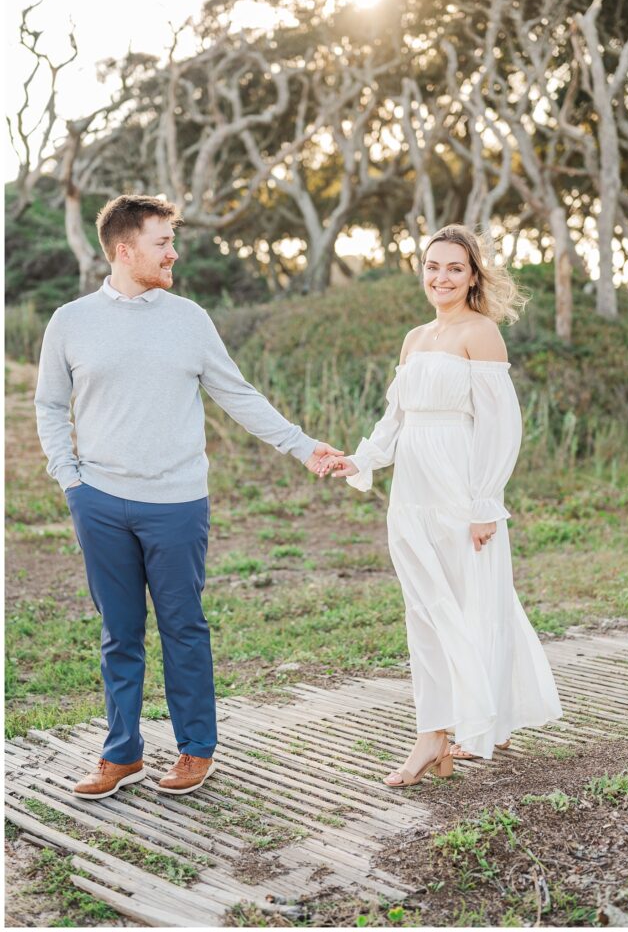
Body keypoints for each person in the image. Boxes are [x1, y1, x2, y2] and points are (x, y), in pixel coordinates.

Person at [34, 194, 342, 800]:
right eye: (162, 243)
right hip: (98, 500)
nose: (174, 253)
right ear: (125, 251)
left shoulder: (190, 319)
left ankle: (196, 749)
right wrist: (69, 478)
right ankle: (121, 755)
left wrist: (304, 447)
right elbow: (48, 405)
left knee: (183, 628)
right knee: (118, 634)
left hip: (177, 504)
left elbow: (240, 395)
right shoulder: (69, 321)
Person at [318, 224, 563, 787]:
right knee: (425, 612)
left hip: (460, 491)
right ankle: (434, 732)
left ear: (473, 274)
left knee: (474, 606)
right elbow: (396, 419)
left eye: (454, 268)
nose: (441, 278)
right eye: (433, 266)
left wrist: (484, 504)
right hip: (412, 493)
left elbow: (502, 428)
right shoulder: (414, 337)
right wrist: (362, 461)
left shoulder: (482, 333)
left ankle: (470, 726)